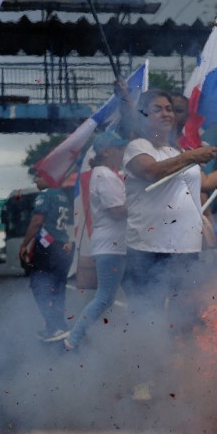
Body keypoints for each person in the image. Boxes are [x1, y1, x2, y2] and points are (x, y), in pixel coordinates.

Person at [121, 88, 217, 338]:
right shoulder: (137, 147)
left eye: (169, 109)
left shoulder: (176, 152)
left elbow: (207, 182)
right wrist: (193, 155)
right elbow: (152, 171)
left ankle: (179, 367)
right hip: (150, 248)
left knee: (187, 316)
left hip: (185, 248)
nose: (166, 113)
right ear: (143, 116)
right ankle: (142, 367)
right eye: (157, 109)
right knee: (147, 316)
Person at [62, 132, 128, 351]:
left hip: (112, 244)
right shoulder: (104, 176)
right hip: (111, 246)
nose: (123, 153)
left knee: (114, 296)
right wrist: (146, 207)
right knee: (104, 298)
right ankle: (73, 339)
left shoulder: (105, 174)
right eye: (119, 149)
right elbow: (118, 211)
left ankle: (77, 339)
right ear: (107, 152)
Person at [19, 170, 74, 342]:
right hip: (63, 247)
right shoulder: (63, 197)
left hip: (47, 246)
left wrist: (24, 244)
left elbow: (36, 222)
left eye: (39, 176)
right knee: (58, 288)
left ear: (49, 177)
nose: (35, 179)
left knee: (38, 285)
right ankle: (58, 326)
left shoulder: (45, 195)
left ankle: (54, 326)